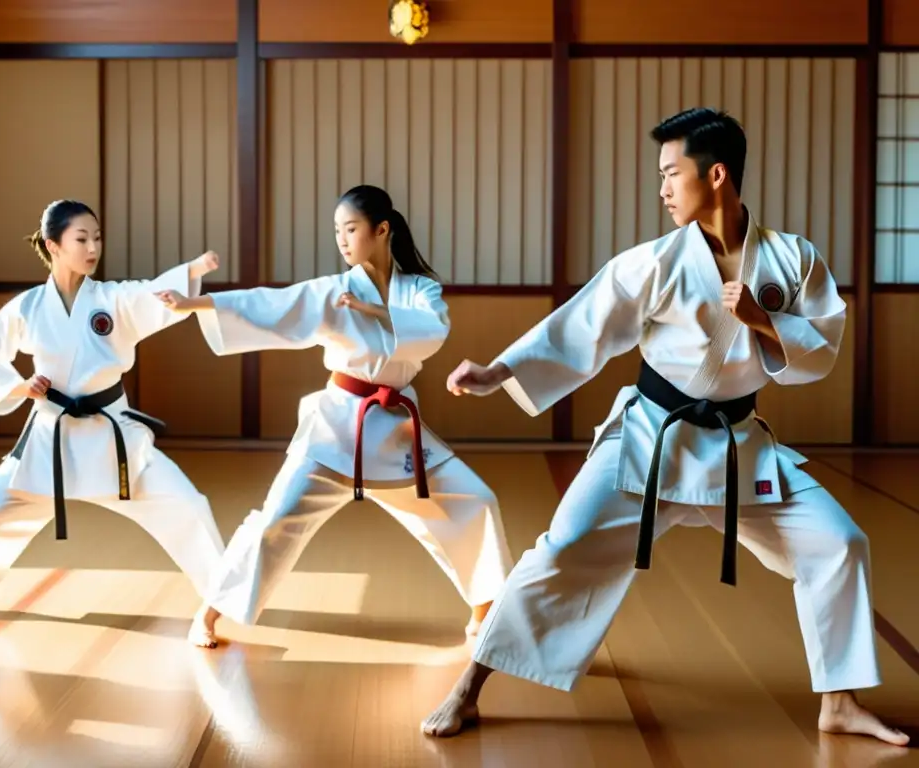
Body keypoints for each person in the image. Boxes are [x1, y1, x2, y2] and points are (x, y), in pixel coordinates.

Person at [420, 108, 909, 747]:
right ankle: (469, 686)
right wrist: (498, 371)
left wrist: (765, 322)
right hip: (649, 439)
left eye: (671, 173)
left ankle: (839, 703)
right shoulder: (652, 262)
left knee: (840, 544)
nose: (662, 189)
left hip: (738, 447)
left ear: (717, 173)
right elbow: (581, 325)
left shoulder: (793, 258)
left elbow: (822, 348)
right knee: (562, 550)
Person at [156, 184, 514, 648]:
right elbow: (271, 304)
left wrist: (375, 312)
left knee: (474, 500)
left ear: (381, 230)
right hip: (338, 426)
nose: (342, 240)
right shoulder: (333, 291)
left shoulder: (419, 288)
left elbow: (433, 331)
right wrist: (197, 303)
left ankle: (483, 610)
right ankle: (209, 611)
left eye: (351, 229)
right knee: (277, 519)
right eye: (337, 231)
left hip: (396, 431)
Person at [0, 199, 227, 649]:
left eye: (97, 238)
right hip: (51, 436)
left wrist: (192, 270)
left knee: (189, 505)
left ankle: (214, 608)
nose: (92, 248)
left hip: (113, 437)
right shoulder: (27, 307)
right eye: (81, 239)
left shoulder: (110, 299)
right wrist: (21, 386)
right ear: (53, 245)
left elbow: (150, 293)